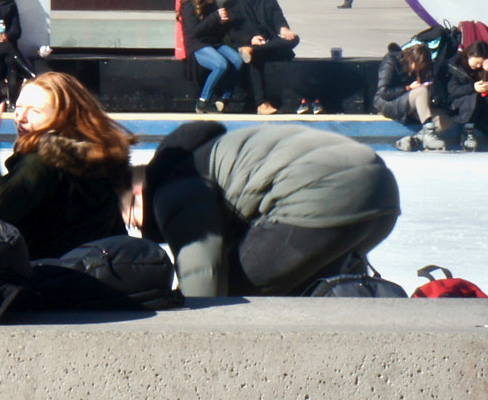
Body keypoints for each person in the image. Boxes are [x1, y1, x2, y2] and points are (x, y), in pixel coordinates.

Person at [135, 122, 400, 296]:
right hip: (382, 194)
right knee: (307, 295)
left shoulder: (173, 185)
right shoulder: (211, 155)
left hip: (318, 195)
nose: (135, 227)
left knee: (235, 297)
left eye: (129, 218)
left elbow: (203, 278)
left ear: (138, 192)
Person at [0, 71, 131, 260]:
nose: (21, 117)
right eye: (18, 107)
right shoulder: (96, 159)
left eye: (35, 111)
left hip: (48, 276)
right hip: (88, 274)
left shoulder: (47, 159)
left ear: (63, 116)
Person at [222, 0, 298, 114]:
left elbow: (278, 20)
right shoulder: (231, 5)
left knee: (294, 39)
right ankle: (261, 103)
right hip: (250, 42)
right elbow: (233, 33)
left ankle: (254, 50)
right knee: (255, 59)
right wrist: (251, 39)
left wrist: (284, 29)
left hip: (268, 43)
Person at [178, 0, 237, 114]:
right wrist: (215, 17)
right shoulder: (189, 6)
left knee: (237, 60)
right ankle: (203, 101)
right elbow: (195, 32)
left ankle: (224, 98)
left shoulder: (212, 5)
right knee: (220, 64)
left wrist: (222, 23)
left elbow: (216, 33)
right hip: (197, 45)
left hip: (212, 43)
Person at [375, 42, 446, 151]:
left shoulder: (418, 70)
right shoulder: (391, 62)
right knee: (420, 91)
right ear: (412, 59)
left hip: (410, 103)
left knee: (446, 119)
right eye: (419, 66)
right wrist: (408, 88)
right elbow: (384, 92)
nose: (418, 70)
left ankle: (415, 140)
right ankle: (429, 133)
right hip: (388, 103)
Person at [442, 41, 488, 151]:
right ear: (470, 55)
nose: (478, 66)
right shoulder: (456, 65)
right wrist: (472, 88)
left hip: (483, 107)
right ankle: (467, 131)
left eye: (481, 64)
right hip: (461, 104)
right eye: (477, 62)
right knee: (474, 97)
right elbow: (453, 90)